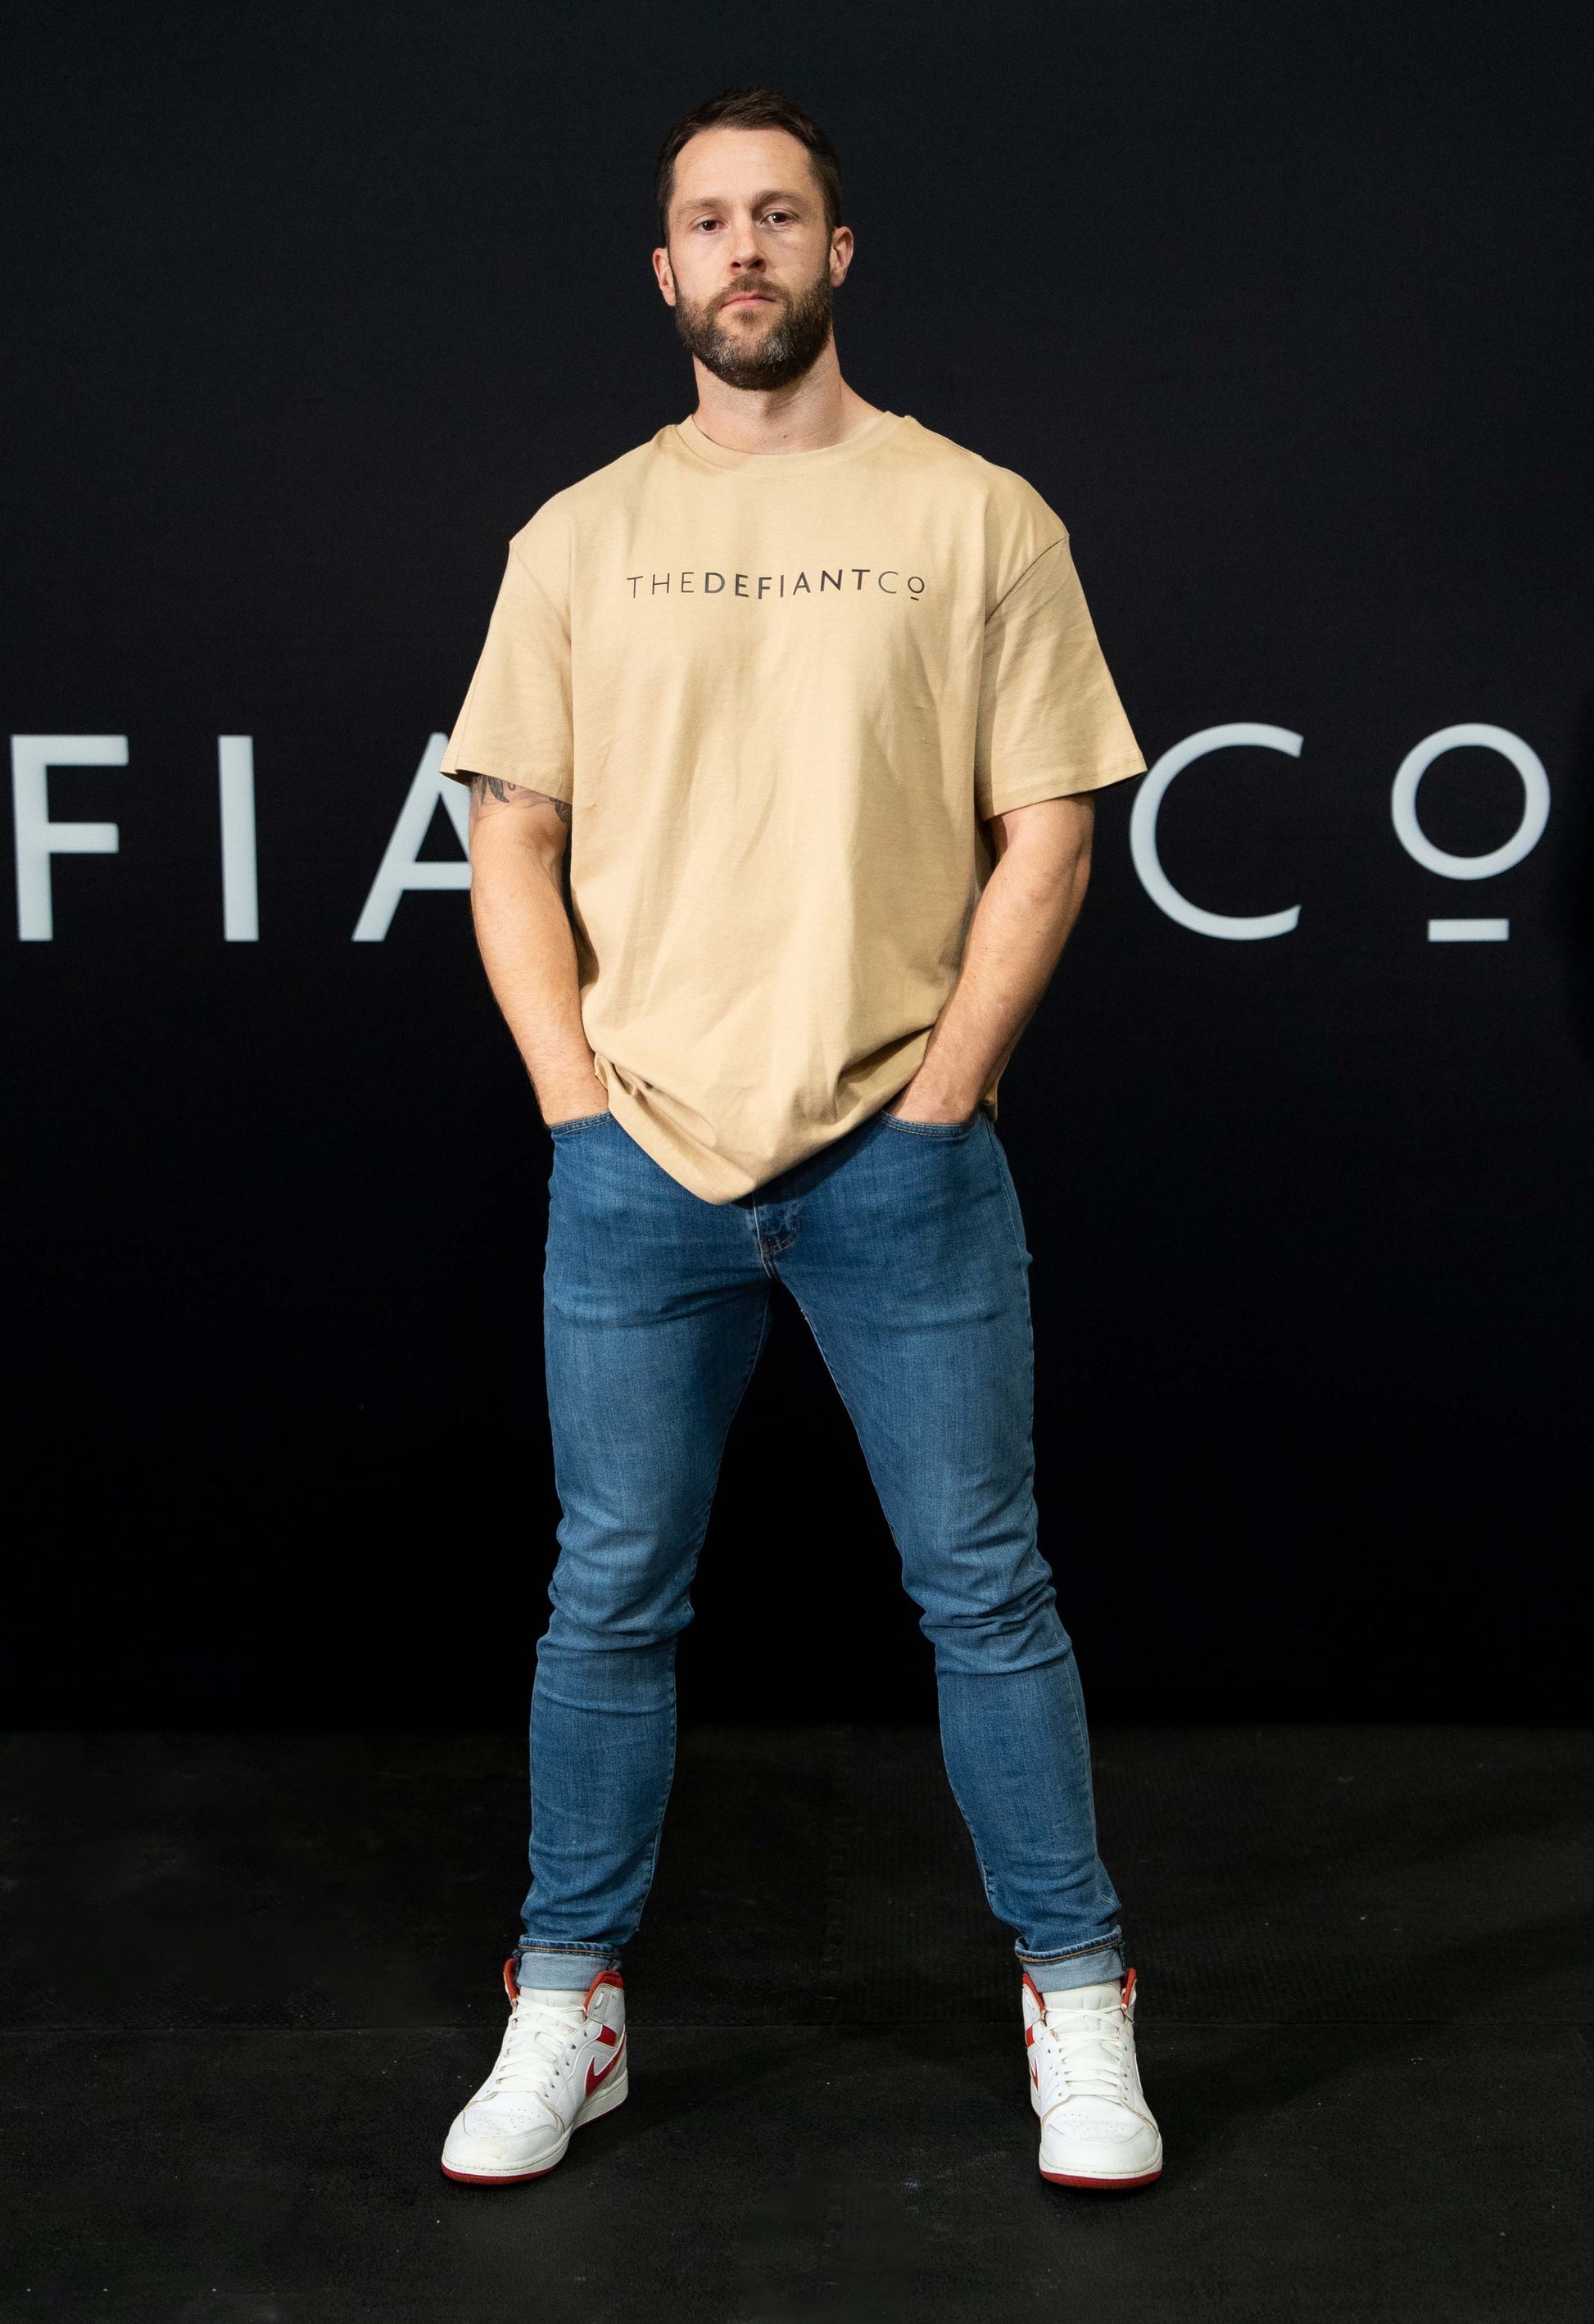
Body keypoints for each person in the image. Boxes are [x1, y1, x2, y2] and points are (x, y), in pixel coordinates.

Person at [436, 85, 1161, 2193]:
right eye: (704, 225)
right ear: (662, 277)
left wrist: (943, 1096)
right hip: (636, 1159)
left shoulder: (980, 517)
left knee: (985, 1593)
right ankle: (568, 2003)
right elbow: (514, 841)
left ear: (840, 256)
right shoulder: (575, 537)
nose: (742, 251)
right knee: (609, 1602)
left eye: (779, 217)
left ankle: (1079, 1996)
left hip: (900, 1157)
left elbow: (1052, 826)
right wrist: (579, 1110)